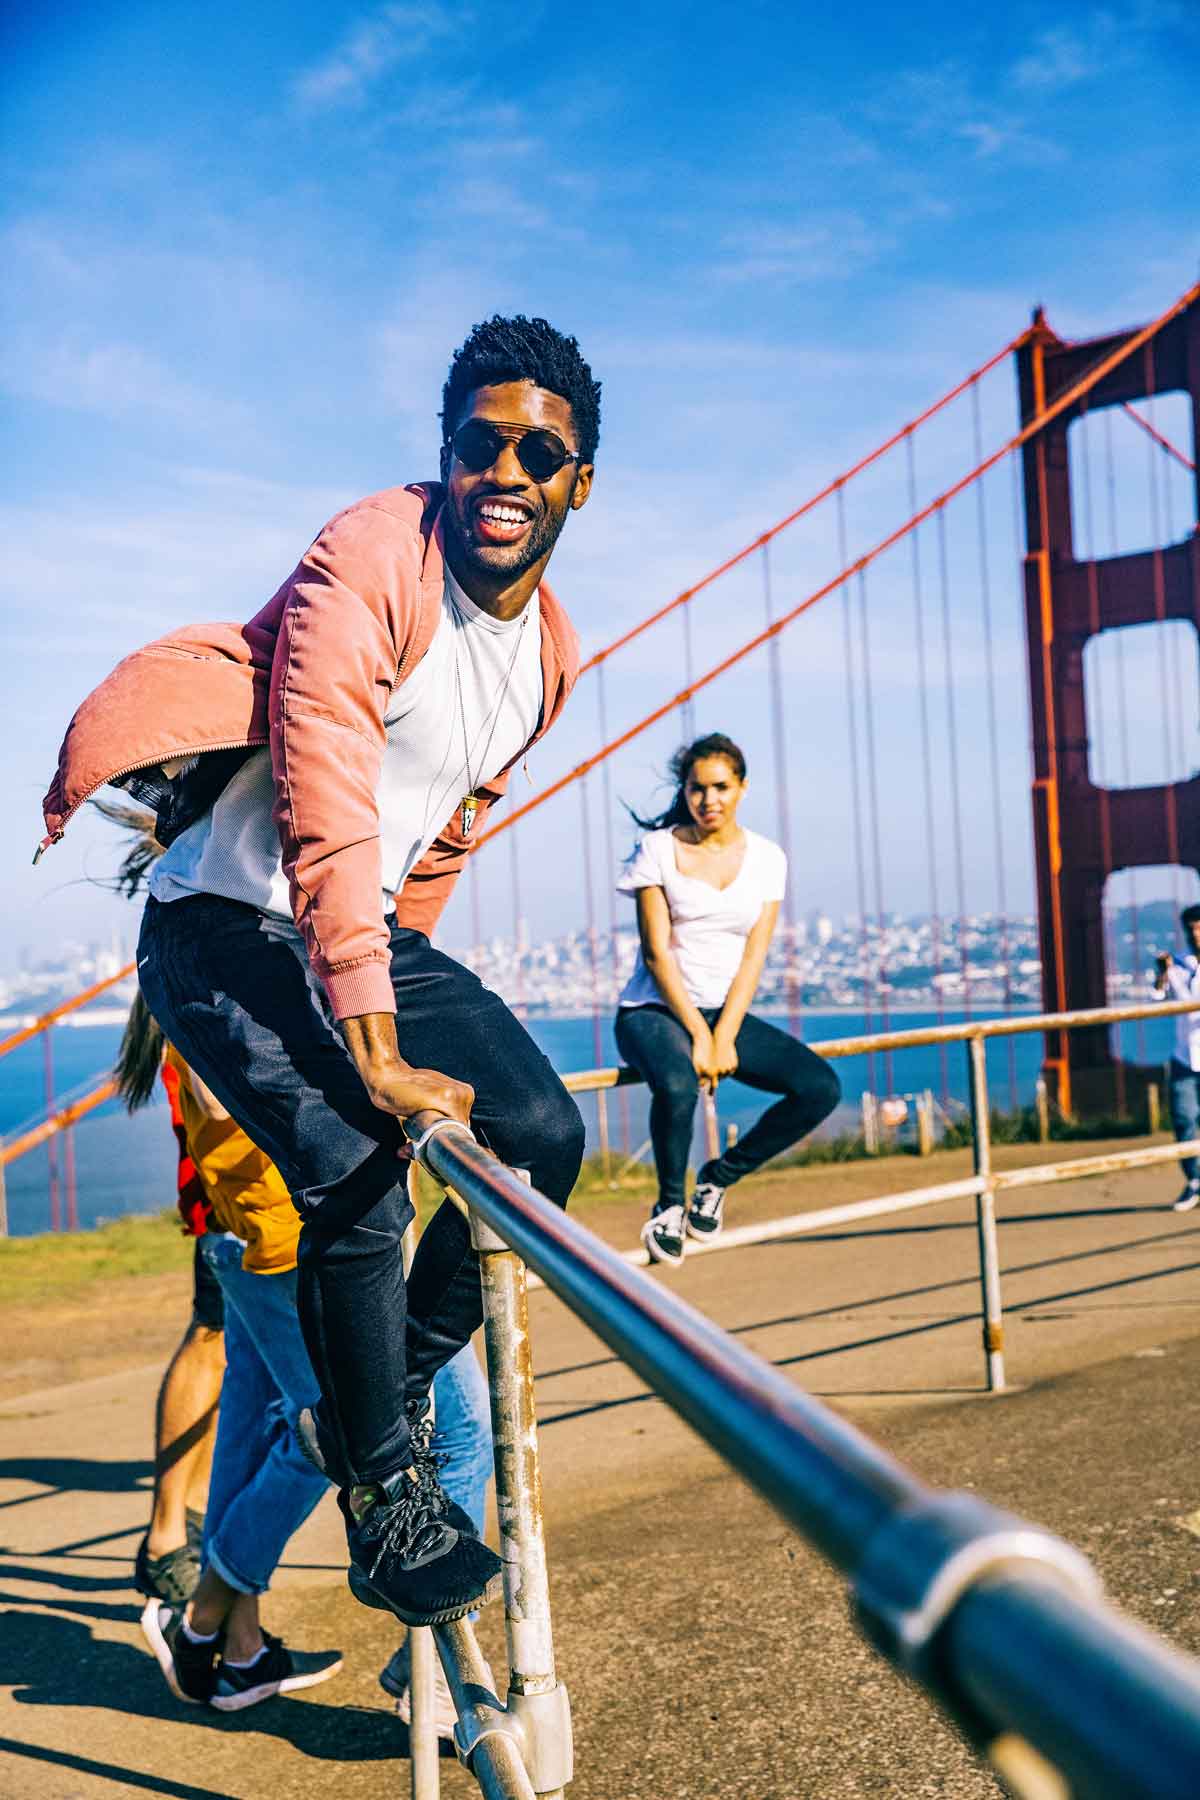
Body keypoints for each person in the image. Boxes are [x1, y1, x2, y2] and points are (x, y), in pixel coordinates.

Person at [42, 314, 597, 1628]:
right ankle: (386, 1490)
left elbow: (444, 830)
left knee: (544, 1135)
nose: (505, 472)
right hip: (223, 927)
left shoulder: (550, 656)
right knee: (358, 1165)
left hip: (356, 927)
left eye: (539, 453)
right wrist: (376, 1041)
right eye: (479, 444)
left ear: (580, 483)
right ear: (445, 455)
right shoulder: (369, 556)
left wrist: (392, 967)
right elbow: (328, 799)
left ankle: (371, 1397)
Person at [614, 734, 841, 1265]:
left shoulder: (767, 858)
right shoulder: (658, 850)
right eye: (697, 788)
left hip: (723, 1013)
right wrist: (700, 1034)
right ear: (685, 792)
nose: (708, 799)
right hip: (652, 1012)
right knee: (678, 1085)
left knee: (820, 1089)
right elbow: (657, 955)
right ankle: (668, 1207)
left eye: (720, 787)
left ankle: (716, 1179)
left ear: (742, 788)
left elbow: (754, 956)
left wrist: (724, 1034)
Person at [115, 933, 225, 1611]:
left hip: (233, 1191)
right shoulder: (204, 964)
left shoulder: (183, 956)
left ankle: (186, 1529)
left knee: (225, 1350)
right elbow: (214, 1099)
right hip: (235, 1194)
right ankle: (166, 1539)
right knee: (213, 1340)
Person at [1151, 902, 1200, 1213]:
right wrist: (1162, 974)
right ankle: (1194, 1181)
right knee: (1184, 1122)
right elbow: (1156, 999)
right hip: (1185, 1058)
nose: (1196, 934)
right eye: (1191, 929)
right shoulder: (1176, 965)